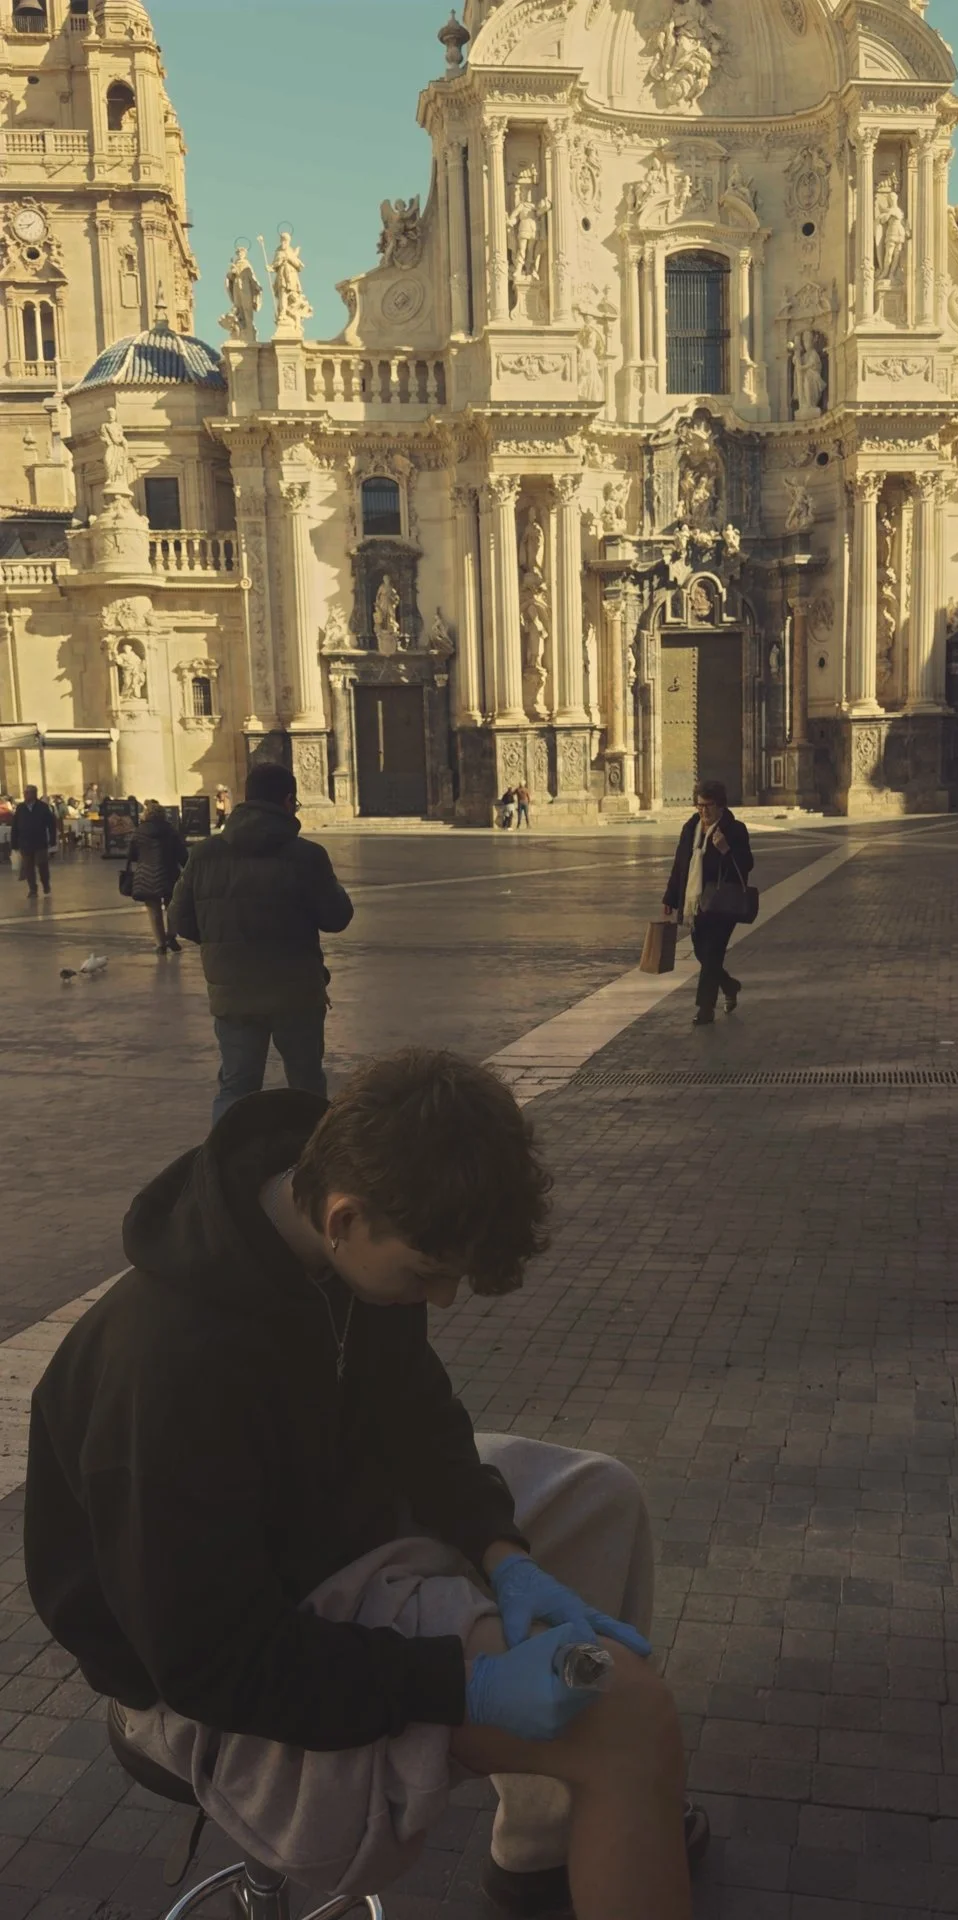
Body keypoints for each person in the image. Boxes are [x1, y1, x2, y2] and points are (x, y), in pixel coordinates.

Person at [24, 1051, 701, 1920]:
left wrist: (502, 1554)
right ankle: (604, 1781)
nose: (444, 1299)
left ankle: (548, 1839)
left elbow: (418, 1416)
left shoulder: (354, 1229)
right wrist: (464, 1687)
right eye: (427, 1275)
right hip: (214, 1656)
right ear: (343, 1217)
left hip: (333, 1519)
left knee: (599, 1501)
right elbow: (213, 1662)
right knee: (626, 1726)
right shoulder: (169, 1371)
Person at [168, 761, 354, 1126]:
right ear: (288, 801)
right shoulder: (307, 856)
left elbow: (179, 920)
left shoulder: (204, 854)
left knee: (236, 1087)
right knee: (305, 1085)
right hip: (296, 992)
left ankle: (223, 1164)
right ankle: (314, 1159)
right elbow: (337, 918)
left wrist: (223, 940)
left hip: (232, 990)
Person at [663, 779, 754, 1027]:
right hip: (697, 904)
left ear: (721, 806)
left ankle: (705, 1009)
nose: (703, 811)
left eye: (708, 806)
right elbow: (680, 865)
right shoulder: (691, 827)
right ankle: (729, 985)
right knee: (703, 953)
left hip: (722, 904)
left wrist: (725, 849)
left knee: (712, 953)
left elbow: (746, 864)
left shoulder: (735, 830)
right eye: (699, 806)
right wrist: (670, 898)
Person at [126, 801, 188, 955]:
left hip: (146, 875)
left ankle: (160, 944)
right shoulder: (170, 831)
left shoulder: (139, 831)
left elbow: (131, 854)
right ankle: (171, 937)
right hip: (168, 873)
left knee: (153, 909)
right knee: (172, 906)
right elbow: (182, 854)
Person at [10, 783, 57, 898]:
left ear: (34, 794)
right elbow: (15, 825)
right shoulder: (20, 808)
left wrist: (52, 838)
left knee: (42, 865)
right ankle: (33, 889)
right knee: (28, 867)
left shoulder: (42, 807)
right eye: (25, 793)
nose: (25, 795)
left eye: (28, 792)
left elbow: (51, 824)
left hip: (39, 841)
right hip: (25, 842)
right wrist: (14, 842)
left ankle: (46, 885)